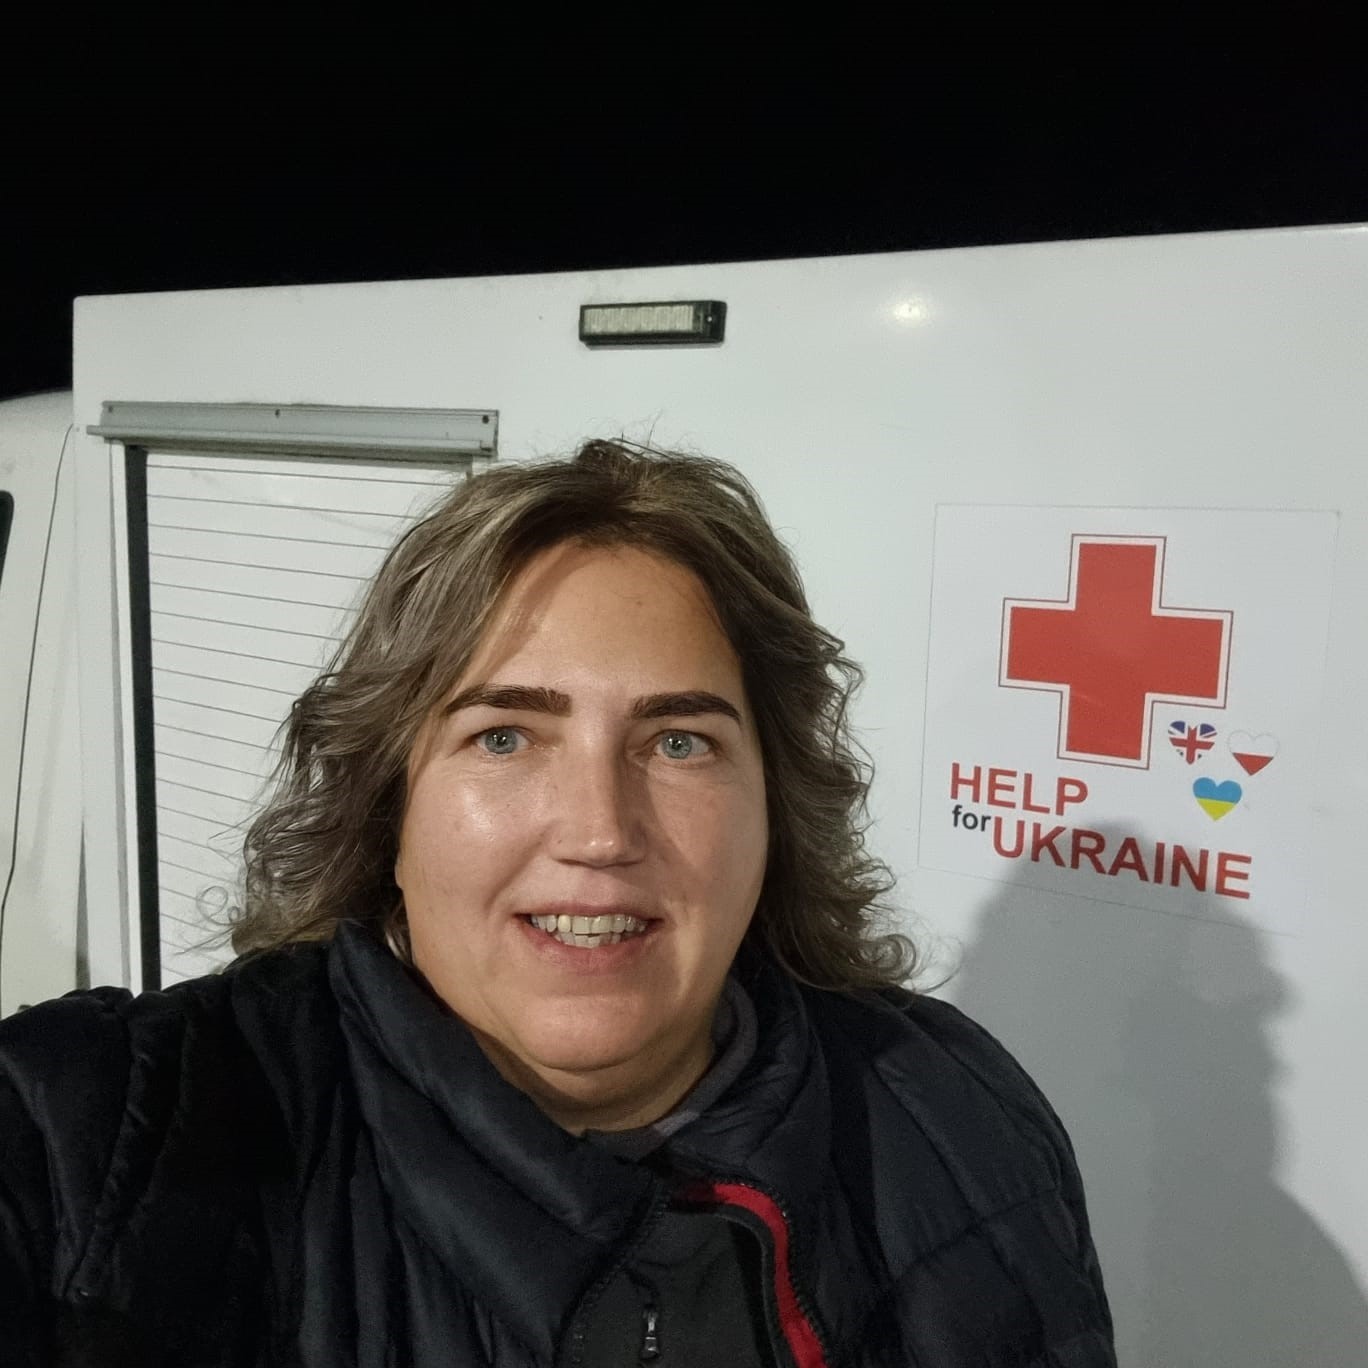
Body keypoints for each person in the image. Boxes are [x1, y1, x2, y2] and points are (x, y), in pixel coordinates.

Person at [0, 441, 1116, 1366]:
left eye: (679, 741)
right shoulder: (106, 1148)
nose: (599, 831)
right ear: (388, 805)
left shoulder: (961, 1119)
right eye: (504, 736)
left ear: (773, 806)